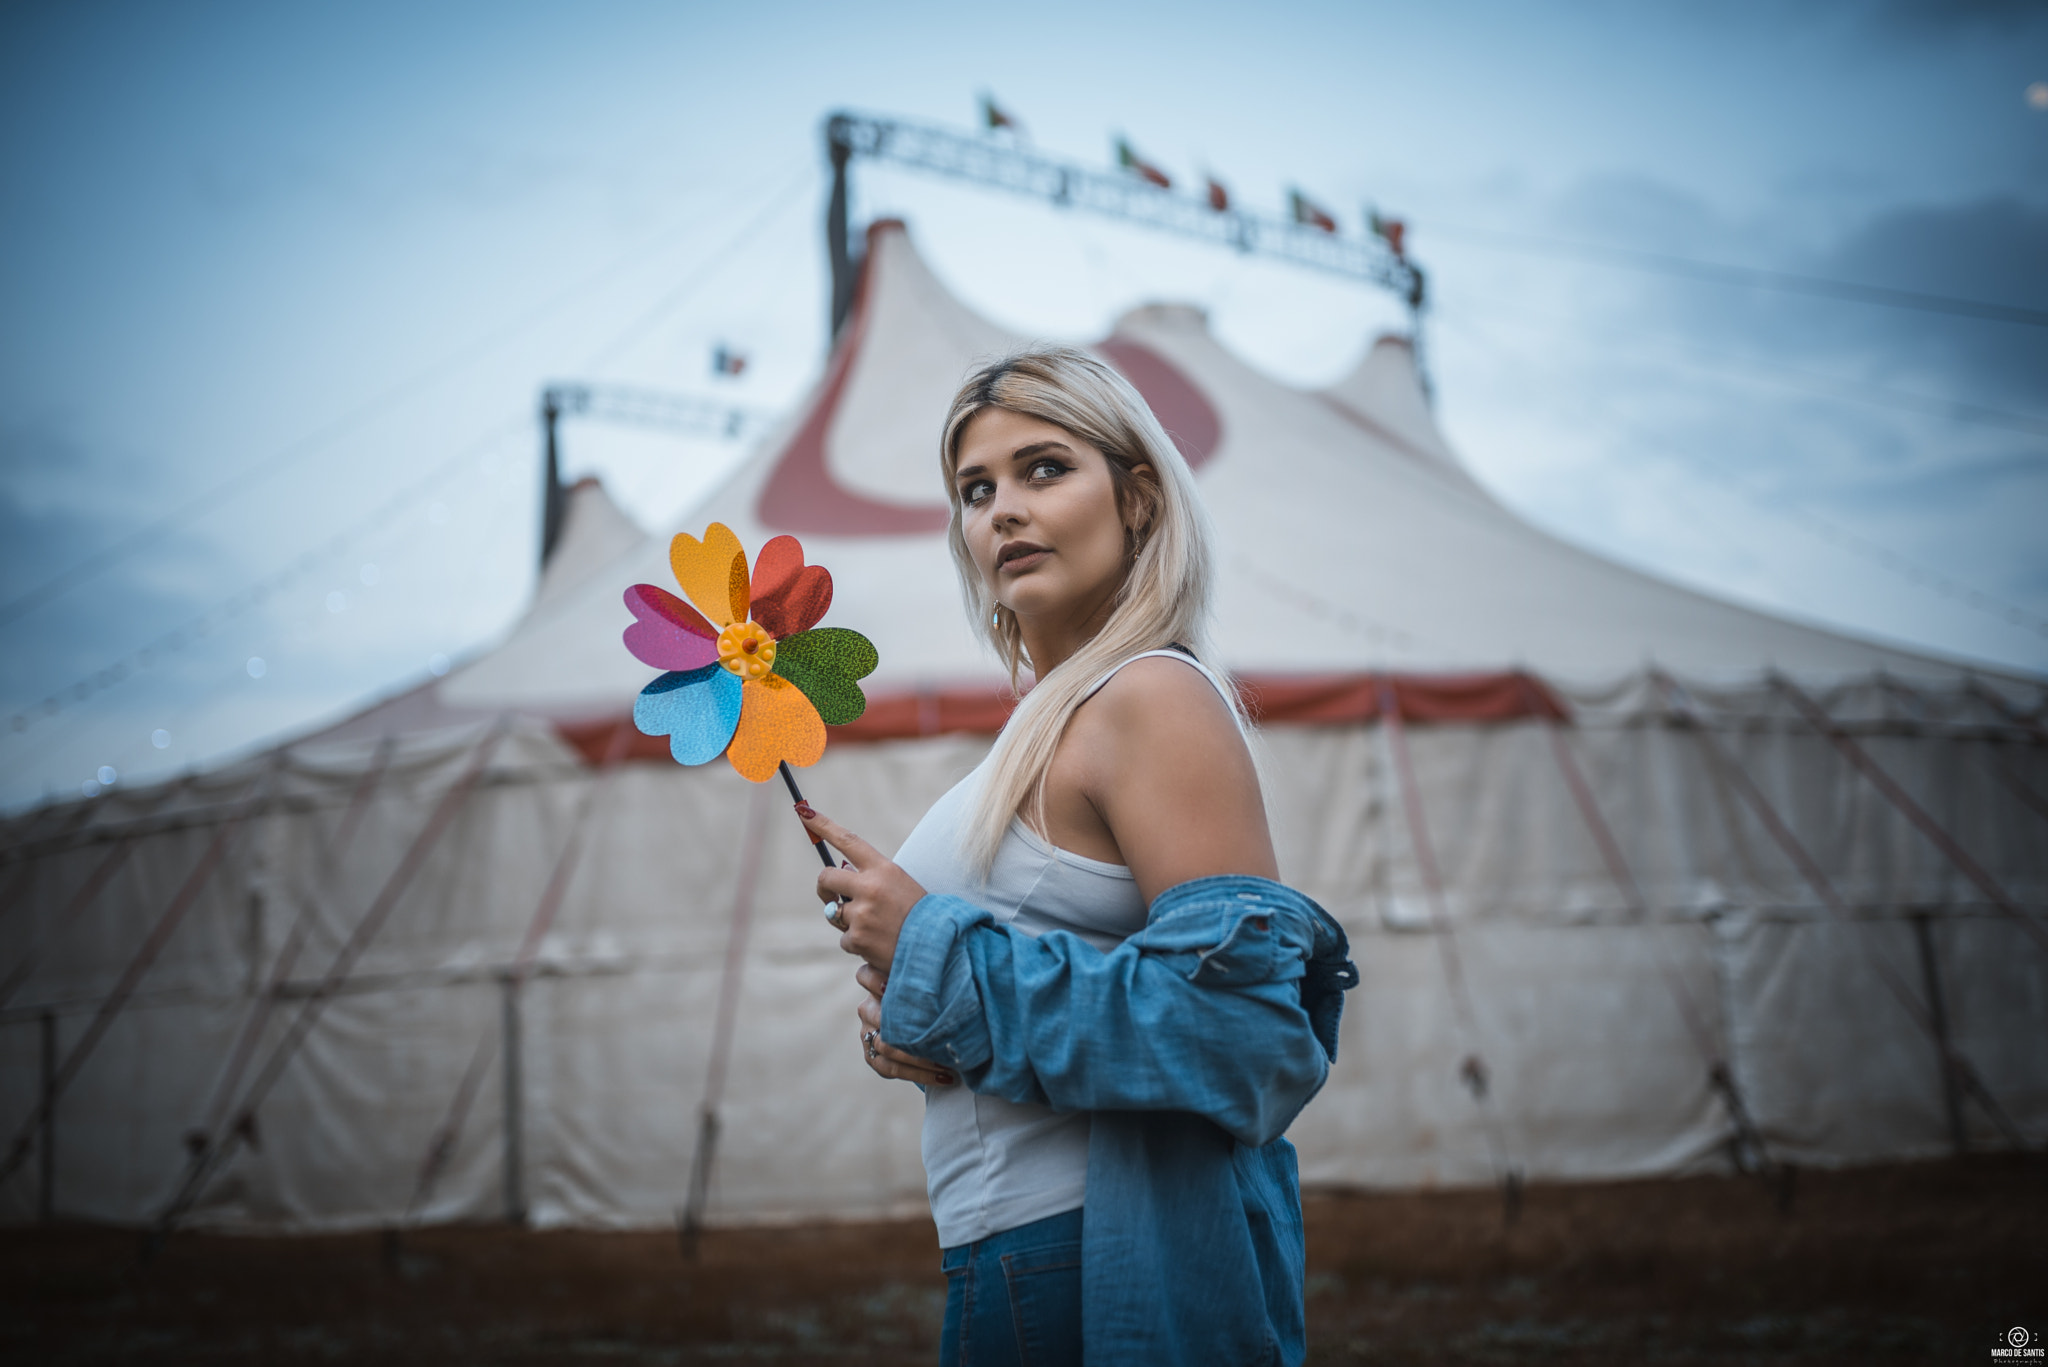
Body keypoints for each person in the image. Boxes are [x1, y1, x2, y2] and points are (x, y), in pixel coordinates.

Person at [795, 347, 1356, 1366]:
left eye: (1043, 468)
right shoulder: (1047, 726)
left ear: (1137, 497)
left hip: (1092, 1254)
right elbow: (1026, 1000)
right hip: (1007, 1253)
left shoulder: (1151, 698)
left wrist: (935, 952)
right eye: (975, 489)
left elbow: (1240, 1032)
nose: (1002, 508)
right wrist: (926, 1027)